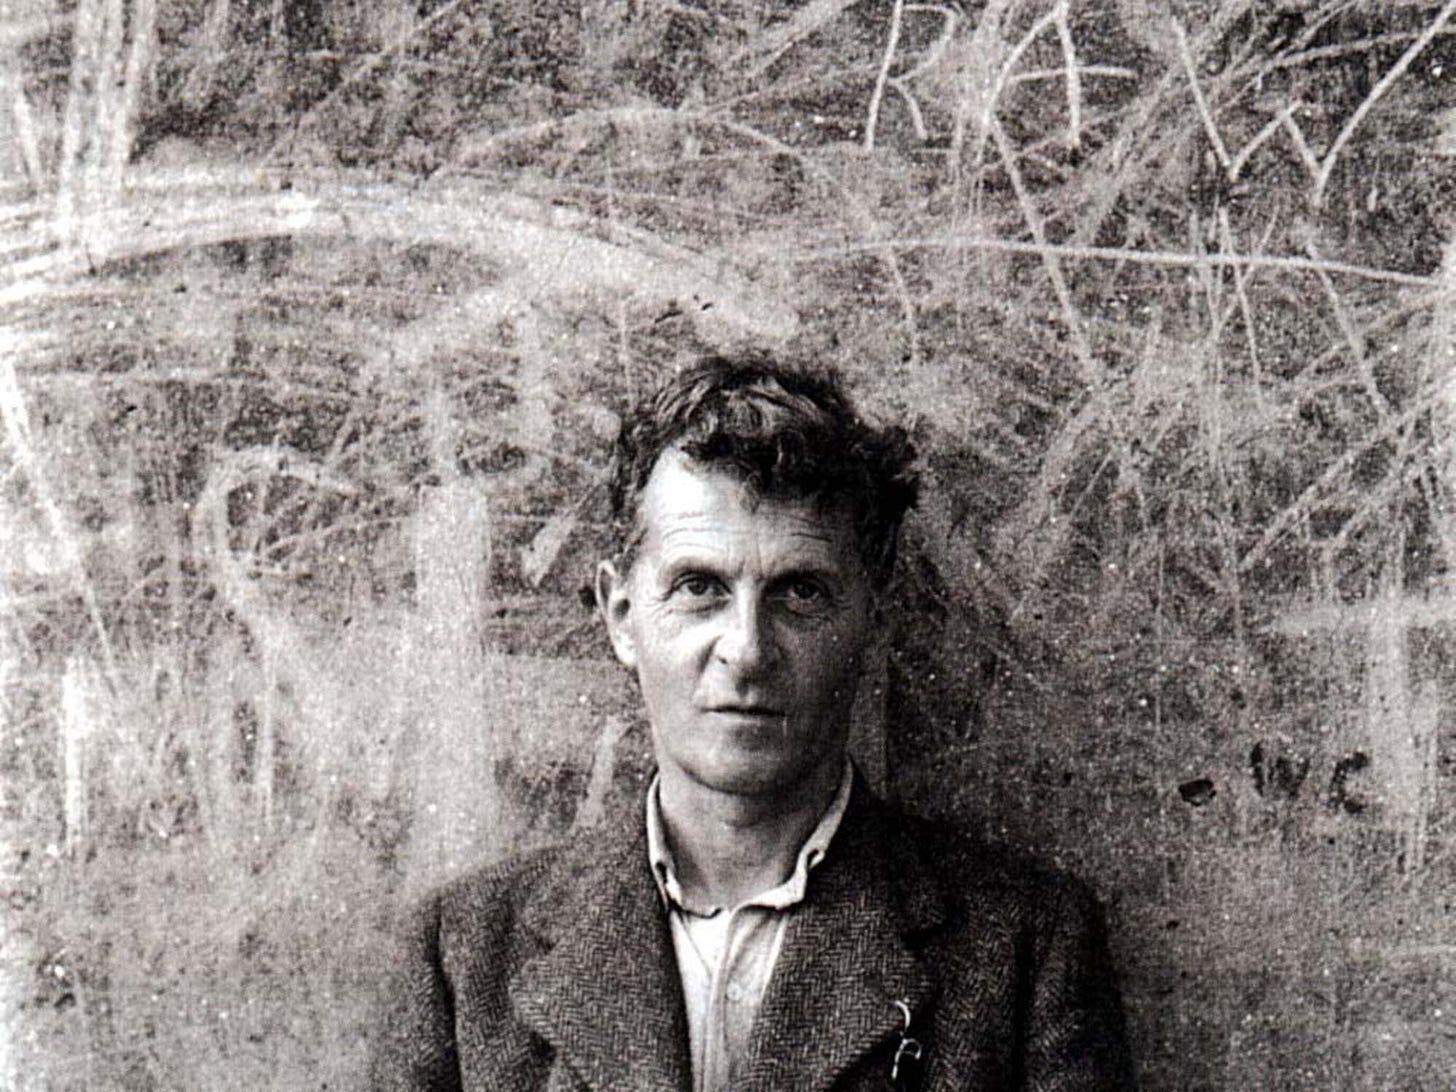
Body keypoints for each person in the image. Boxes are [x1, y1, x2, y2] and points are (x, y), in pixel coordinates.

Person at [369, 354, 1135, 1091]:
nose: (747, 649)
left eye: (799, 593)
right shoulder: (463, 956)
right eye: (699, 587)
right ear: (621, 614)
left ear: (873, 618)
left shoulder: (1026, 950)